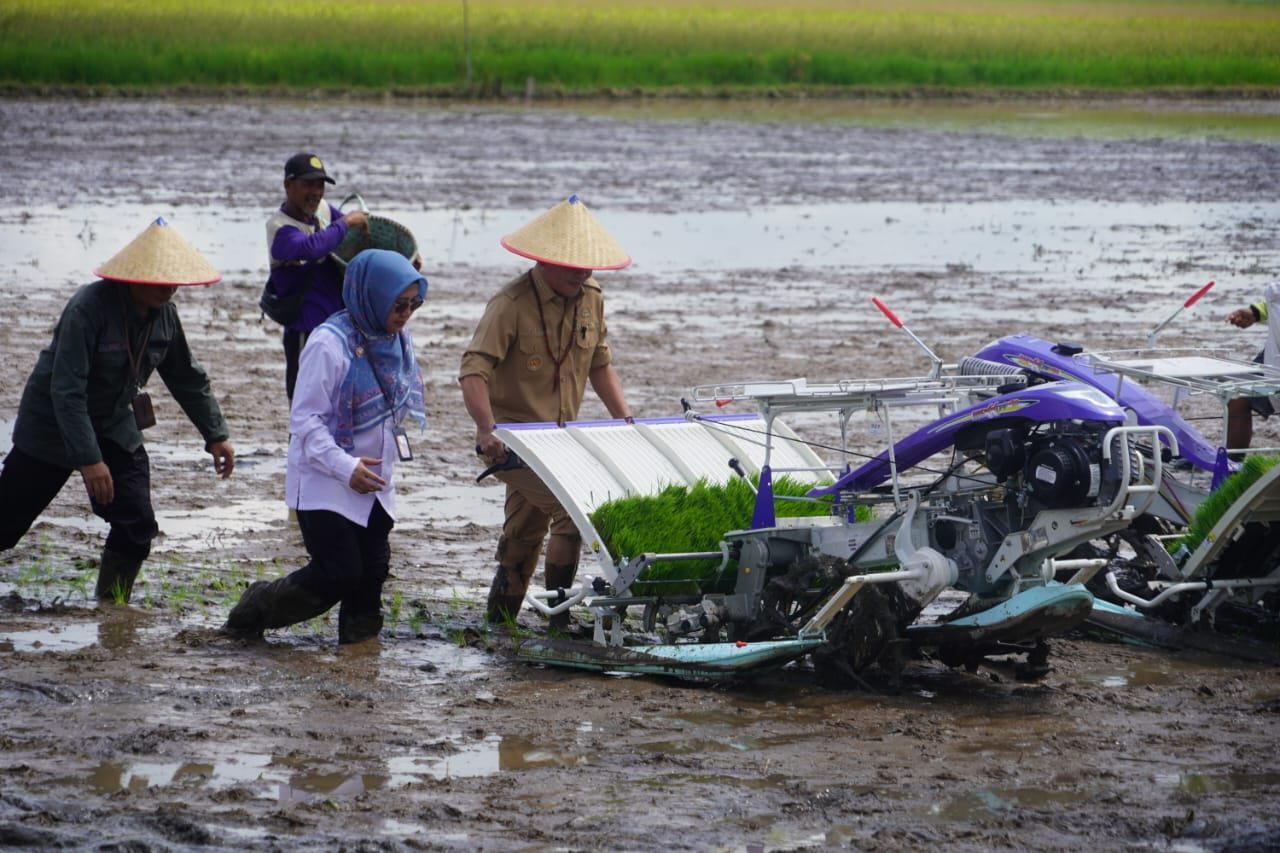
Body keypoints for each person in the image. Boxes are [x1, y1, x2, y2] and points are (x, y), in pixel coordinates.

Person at [0, 217, 236, 603]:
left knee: (137, 523)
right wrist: (89, 461)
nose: (169, 289)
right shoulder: (88, 309)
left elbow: (187, 377)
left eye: (174, 280)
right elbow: (67, 392)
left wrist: (217, 435)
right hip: (53, 427)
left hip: (113, 422)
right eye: (159, 280)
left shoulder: (165, 315)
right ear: (133, 277)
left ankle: (110, 608)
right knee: (5, 526)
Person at [223, 249, 428, 645]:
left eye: (413, 304)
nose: (406, 314)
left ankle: (358, 657)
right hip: (324, 482)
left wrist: (369, 471)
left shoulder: (397, 342)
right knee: (339, 571)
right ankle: (252, 612)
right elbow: (304, 422)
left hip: (373, 483)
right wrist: (344, 466)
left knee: (372, 573)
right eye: (398, 304)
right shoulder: (327, 344)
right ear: (372, 297)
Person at [459, 195, 635, 628]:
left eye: (589, 266)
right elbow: (473, 371)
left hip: (560, 443)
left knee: (522, 537)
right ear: (546, 261)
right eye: (575, 267)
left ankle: (499, 629)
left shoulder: (591, 297)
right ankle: (560, 620)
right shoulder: (511, 304)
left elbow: (600, 364)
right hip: (512, 445)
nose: (584, 274)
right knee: (572, 516)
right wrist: (486, 430)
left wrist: (625, 421)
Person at [266, 152, 372, 401]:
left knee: (341, 400)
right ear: (288, 186)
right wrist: (345, 223)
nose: (315, 192)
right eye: (307, 185)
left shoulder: (323, 211)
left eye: (319, 185)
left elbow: (359, 234)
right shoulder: (280, 228)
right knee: (306, 402)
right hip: (305, 332)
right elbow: (311, 248)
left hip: (338, 327)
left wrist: (402, 258)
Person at [1225, 285, 1280, 451]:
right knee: (1239, 396)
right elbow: (1275, 300)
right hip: (1275, 354)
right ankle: (1232, 467)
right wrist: (1255, 312)